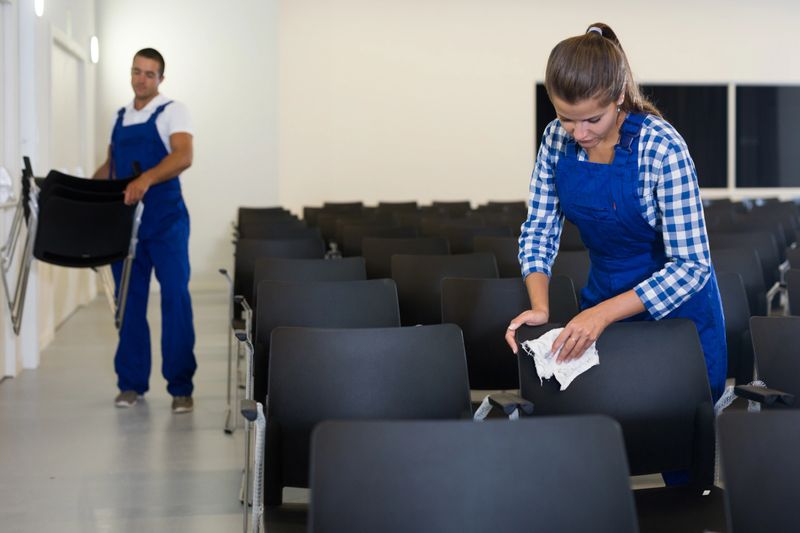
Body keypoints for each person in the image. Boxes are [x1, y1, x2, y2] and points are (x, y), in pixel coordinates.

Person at [505, 23, 726, 406]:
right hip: (603, 300)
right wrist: (541, 306)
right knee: (604, 437)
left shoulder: (661, 148)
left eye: (593, 119)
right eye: (565, 117)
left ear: (618, 96)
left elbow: (692, 267)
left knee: (678, 437)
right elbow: (540, 229)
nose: (579, 133)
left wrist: (602, 315)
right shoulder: (555, 140)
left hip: (675, 317)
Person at [93, 48, 197, 413]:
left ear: (160, 79)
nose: (141, 79)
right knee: (130, 302)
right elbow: (111, 165)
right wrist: (85, 195)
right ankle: (131, 384)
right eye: (137, 71)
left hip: (166, 222)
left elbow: (183, 155)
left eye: (150, 74)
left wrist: (146, 179)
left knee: (175, 297)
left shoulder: (173, 110)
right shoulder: (120, 116)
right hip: (128, 226)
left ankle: (181, 387)